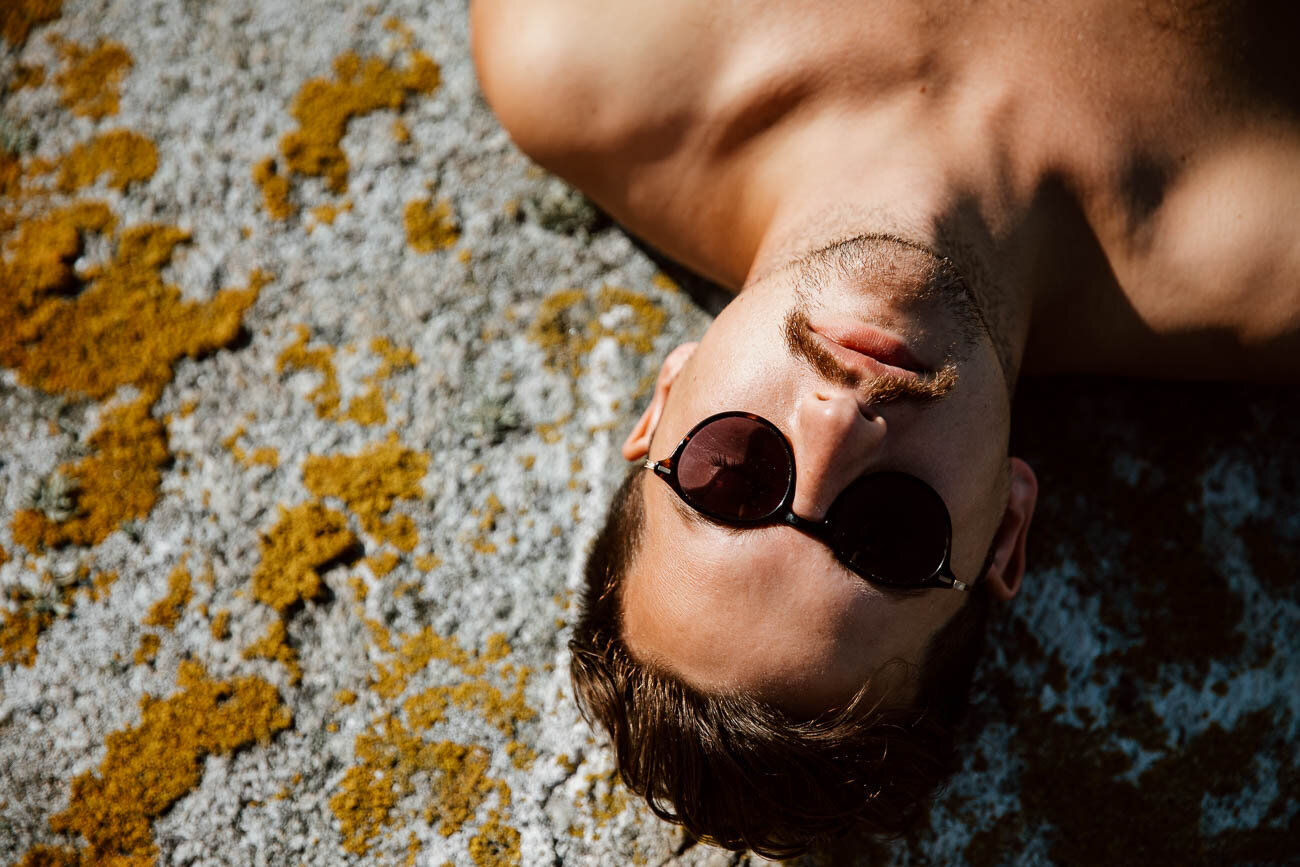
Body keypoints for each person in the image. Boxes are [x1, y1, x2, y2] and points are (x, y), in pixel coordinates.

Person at [471, 0, 1300, 856]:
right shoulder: (1272, 243)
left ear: (664, 401)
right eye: (888, 533)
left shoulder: (580, 54)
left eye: (736, 473)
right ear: (1008, 532)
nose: (838, 425)